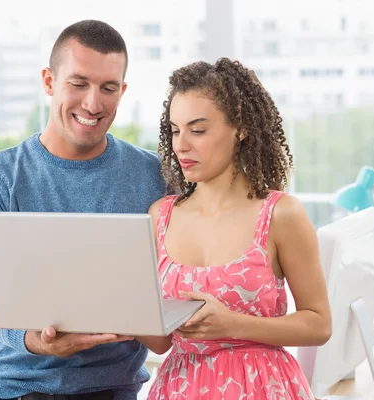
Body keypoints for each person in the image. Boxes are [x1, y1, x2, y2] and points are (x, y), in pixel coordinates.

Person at [0, 20, 166, 400]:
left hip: (110, 388)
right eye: (78, 83)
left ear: (122, 91)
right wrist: (39, 341)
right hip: (11, 388)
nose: (93, 103)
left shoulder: (154, 177)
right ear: (49, 82)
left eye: (108, 88)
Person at [138, 58, 332, 399]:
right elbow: (160, 342)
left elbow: (319, 324)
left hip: (263, 387)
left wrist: (234, 325)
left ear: (240, 128)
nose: (181, 145)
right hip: (179, 388)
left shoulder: (280, 215)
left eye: (197, 130)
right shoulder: (160, 216)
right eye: (175, 129)